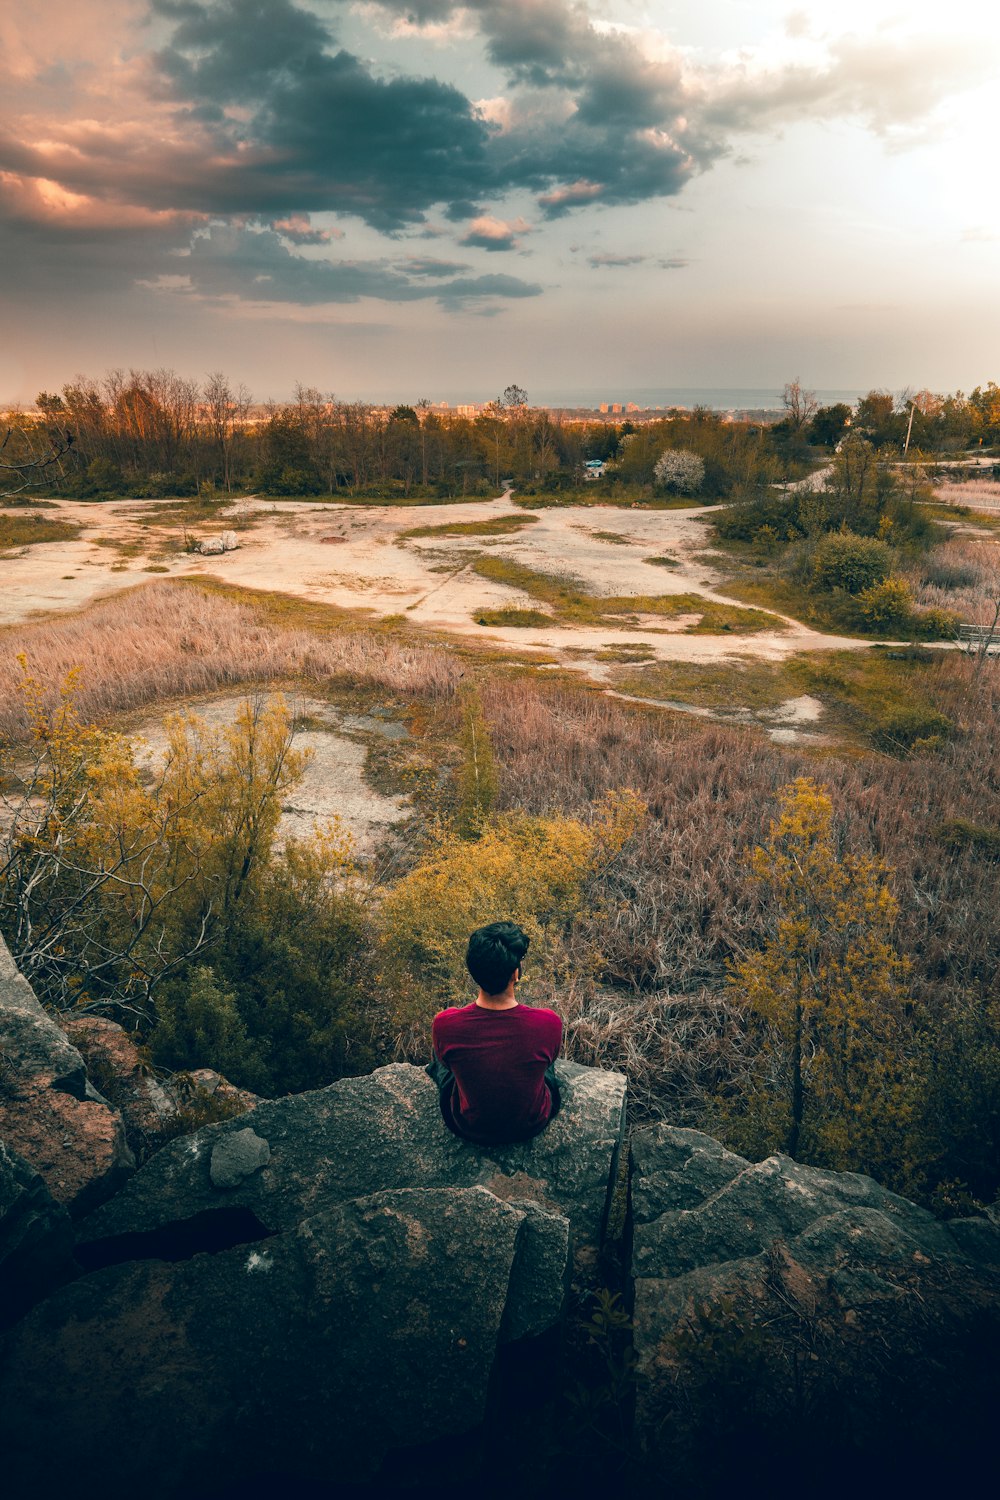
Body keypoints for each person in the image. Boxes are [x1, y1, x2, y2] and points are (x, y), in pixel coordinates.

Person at [427, 920, 563, 1145]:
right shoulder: (547, 1022)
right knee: (546, 1067)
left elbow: (447, 1064)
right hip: (530, 1124)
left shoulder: (446, 1023)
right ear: (516, 973)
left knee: (441, 1061)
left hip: (469, 1126)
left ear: (474, 971)